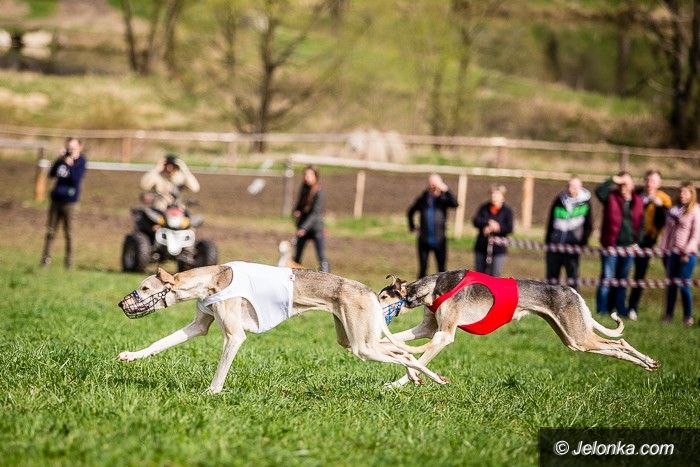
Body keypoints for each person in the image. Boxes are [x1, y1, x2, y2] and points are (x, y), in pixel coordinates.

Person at [594, 172, 644, 317]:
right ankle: (602, 309)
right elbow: (599, 191)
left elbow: (641, 224)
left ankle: (620, 309)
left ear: (632, 185)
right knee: (607, 278)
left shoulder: (638, 201)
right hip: (612, 245)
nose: (623, 187)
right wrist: (613, 179)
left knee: (622, 280)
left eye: (626, 183)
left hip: (629, 247)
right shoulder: (611, 197)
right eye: (620, 184)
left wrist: (637, 242)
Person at [627, 169, 672, 320]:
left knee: (639, 275)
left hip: (648, 241)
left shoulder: (664, 199)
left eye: (653, 181)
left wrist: (659, 207)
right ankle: (616, 306)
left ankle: (632, 307)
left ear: (659, 183)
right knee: (621, 274)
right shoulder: (636, 195)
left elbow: (663, 224)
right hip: (631, 239)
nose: (650, 183)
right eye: (648, 180)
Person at [40, 137, 88, 269]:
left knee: (69, 233)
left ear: (80, 147)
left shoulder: (81, 161)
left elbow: (76, 179)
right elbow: (51, 174)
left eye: (73, 147)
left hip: (70, 203)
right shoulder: (62, 160)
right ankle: (45, 261)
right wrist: (59, 159)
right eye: (69, 147)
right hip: (56, 200)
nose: (70, 150)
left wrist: (70, 164)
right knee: (50, 231)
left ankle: (69, 263)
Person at [659, 182, 699, 326]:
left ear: (691, 195)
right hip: (672, 253)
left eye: (685, 193)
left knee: (684, 285)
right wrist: (663, 249)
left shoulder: (696, 211)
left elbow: (696, 235)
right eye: (681, 192)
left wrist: (687, 251)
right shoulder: (674, 210)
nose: (682, 195)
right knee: (671, 285)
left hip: (687, 254)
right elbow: (667, 232)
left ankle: (688, 316)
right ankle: (668, 316)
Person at [544, 176, 593, 289]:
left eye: (574, 187)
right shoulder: (558, 200)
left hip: (572, 248)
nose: (570, 189)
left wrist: (582, 243)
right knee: (551, 281)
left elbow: (589, 225)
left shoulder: (585, 204)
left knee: (572, 281)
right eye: (569, 186)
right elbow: (551, 222)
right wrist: (548, 241)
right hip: (555, 247)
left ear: (580, 188)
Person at [407, 174, 459, 278]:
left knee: (442, 269)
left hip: (440, 239)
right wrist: (412, 226)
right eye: (431, 183)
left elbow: (455, 204)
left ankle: (442, 288)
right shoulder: (423, 198)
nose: (433, 186)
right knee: (423, 268)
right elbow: (410, 211)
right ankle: (420, 287)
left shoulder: (443, 198)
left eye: (435, 183)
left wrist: (446, 189)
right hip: (424, 239)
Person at [292, 165, 330, 272]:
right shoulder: (304, 189)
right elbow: (299, 205)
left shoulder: (319, 192)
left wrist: (304, 228)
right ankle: (295, 276)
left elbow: (315, 213)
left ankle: (327, 275)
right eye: (305, 174)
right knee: (297, 256)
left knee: (321, 256)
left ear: (315, 176)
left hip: (315, 227)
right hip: (303, 226)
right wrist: (296, 211)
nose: (306, 177)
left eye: (309, 175)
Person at [473, 184, 513, 277]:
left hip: (498, 249)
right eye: (492, 194)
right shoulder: (484, 208)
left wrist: (498, 228)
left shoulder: (507, 211)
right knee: (479, 275)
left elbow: (509, 228)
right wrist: (487, 223)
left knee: (495, 275)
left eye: (497, 195)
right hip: (482, 247)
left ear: (502, 197)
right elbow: (476, 221)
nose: (494, 197)